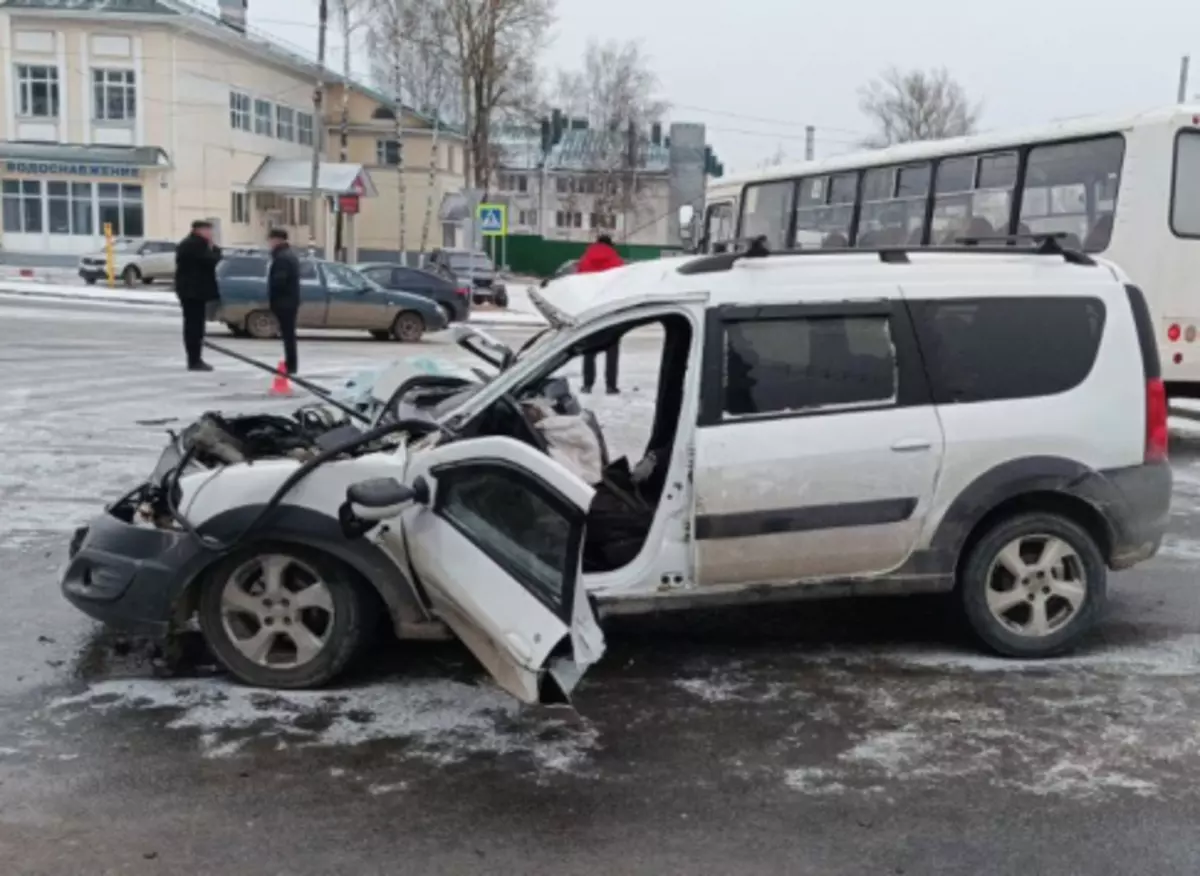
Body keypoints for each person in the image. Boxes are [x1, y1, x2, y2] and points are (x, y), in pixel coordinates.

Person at [576, 234, 625, 394]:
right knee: (612, 349)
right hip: (610, 310)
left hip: (591, 309)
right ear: (611, 245)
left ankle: (587, 384)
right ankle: (611, 385)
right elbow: (622, 285)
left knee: (589, 350)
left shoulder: (584, 260)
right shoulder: (617, 261)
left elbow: (579, 283)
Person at [174, 219, 222, 371]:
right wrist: (215, 250)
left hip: (192, 291)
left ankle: (195, 358)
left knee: (195, 325)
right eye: (207, 230)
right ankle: (194, 360)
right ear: (198, 230)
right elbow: (211, 261)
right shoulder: (195, 244)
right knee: (194, 326)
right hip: (193, 291)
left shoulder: (191, 243)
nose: (210, 234)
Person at [267, 228, 301, 376]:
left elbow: (280, 280)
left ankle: (291, 365)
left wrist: (273, 295)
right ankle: (291, 364)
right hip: (290, 300)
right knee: (288, 334)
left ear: (277, 240)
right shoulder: (289, 254)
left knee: (288, 335)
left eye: (270, 240)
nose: (269, 243)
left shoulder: (282, 257)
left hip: (284, 301)